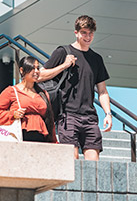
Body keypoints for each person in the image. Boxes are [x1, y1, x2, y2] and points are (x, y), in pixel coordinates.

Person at [39, 15, 112, 160]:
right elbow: (40, 75)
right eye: (84, 32)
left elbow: (102, 91)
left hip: (90, 117)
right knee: (72, 164)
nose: (88, 36)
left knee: (94, 168)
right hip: (67, 115)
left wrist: (108, 113)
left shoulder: (96, 59)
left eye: (91, 33)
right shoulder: (63, 52)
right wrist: (64, 65)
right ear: (76, 33)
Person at [0, 56, 56, 142]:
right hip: (19, 135)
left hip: (41, 137)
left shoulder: (43, 94)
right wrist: (13, 114)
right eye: (32, 68)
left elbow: (50, 120)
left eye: (38, 68)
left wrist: (54, 142)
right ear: (22, 70)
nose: (36, 71)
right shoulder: (12, 91)